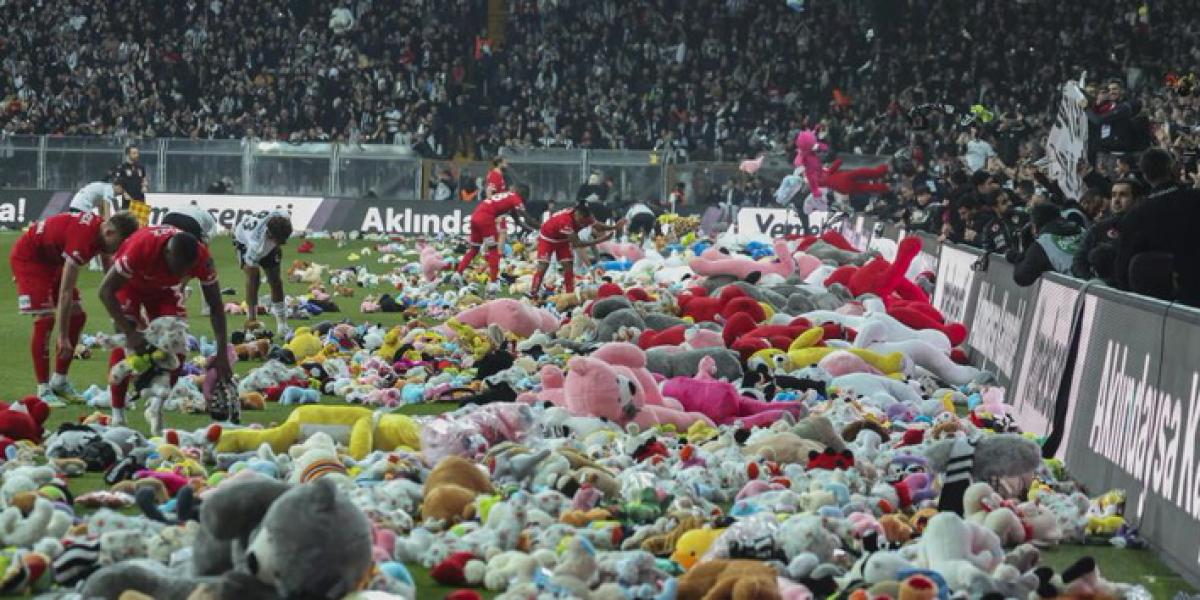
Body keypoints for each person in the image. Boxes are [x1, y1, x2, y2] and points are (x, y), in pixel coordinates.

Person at [99, 226, 232, 428]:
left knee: (177, 342)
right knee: (127, 344)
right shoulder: (140, 248)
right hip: (130, 285)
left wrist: (222, 353)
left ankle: (155, 407)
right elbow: (105, 291)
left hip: (165, 291)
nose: (183, 273)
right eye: (178, 268)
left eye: (187, 270)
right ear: (167, 254)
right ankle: (118, 414)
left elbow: (215, 305)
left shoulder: (202, 258)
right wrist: (130, 332)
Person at [9, 212, 140, 407]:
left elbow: (109, 273)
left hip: (53, 261)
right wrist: (63, 337)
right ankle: (43, 389)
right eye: (119, 244)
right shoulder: (83, 240)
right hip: (31, 260)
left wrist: (122, 306)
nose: (118, 250)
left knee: (78, 316)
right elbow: (65, 293)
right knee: (45, 319)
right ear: (110, 233)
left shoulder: (102, 233)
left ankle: (59, 381)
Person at [1114, 149, 1200, 307]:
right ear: (1171, 168)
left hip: (1157, 305)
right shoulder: (1194, 199)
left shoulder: (1135, 216)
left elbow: (1123, 269)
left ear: (1145, 175)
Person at [453, 183, 538, 294]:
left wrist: (530, 229)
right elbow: (527, 217)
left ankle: (457, 274)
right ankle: (493, 283)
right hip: (486, 219)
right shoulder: (516, 198)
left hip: (475, 216)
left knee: (474, 249)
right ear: (524, 194)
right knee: (493, 250)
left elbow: (518, 221)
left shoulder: (508, 196)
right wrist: (541, 227)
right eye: (526, 197)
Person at [530, 203, 624, 298]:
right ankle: (533, 292)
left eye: (585, 220)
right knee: (544, 265)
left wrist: (614, 227)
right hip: (548, 238)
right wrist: (601, 240)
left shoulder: (586, 217)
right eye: (581, 220)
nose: (582, 222)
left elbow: (597, 226)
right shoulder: (565, 221)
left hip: (563, 239)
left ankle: (569, 293)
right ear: (577, 213)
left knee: (568, 265)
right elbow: (577, 244)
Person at [233, 210, 295, 334]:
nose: (283, 243)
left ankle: (282, 324)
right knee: (254, 280)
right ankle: (252, 320)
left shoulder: (283, 216)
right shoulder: (256, 246)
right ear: (270, 235)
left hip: (262, 233)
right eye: (280, 240)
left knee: (275, 280)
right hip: (243, 242)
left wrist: (278, 244)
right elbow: (251, 273)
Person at [1072, 178, 1143, 281]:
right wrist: (1095, 283)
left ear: (1137, 200)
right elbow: (1078, 263)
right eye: (1113, 195)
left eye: (1123, 195)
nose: (1116, 200)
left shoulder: (1147, 228)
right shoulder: (1097, 229)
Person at [1008, 203, 1084, 287]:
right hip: (1092, 283)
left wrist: (1018, 256)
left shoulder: (1042, 244)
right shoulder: (1082, 230)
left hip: (1078, 289)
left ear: (1034, 226)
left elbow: (1021, 277)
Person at [111, 145, 150, 225]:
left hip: (140, 199)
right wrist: (124, 193)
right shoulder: (122, 167)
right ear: (128, 155)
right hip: (128, 201)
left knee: (142, 225)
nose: (137, 155)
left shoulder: (141, 167)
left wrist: (144, 186)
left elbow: (144, 178)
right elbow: (116, 184)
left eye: (137, 153)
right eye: (134, 153)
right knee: (127, 225)